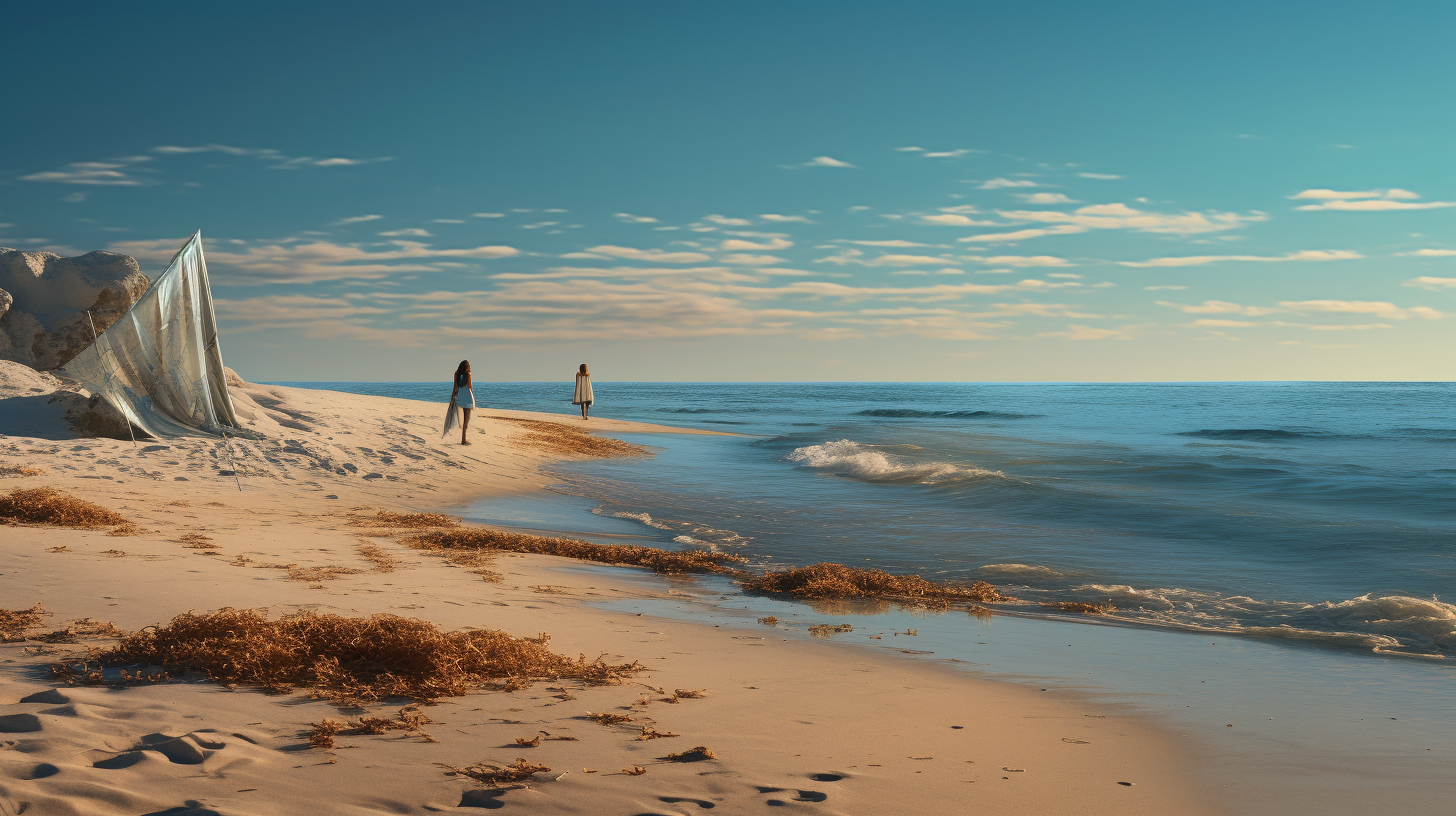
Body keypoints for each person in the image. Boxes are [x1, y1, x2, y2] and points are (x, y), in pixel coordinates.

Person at [449, 360, 475, 444]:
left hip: (460, 397)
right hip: (468, 398)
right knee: (466, 420)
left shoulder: (456, 374)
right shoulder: (468, 374)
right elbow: (470, 386)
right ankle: (463, 440)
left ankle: (463, 439)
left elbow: (455, 387)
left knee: (461, 418)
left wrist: (452, 397)